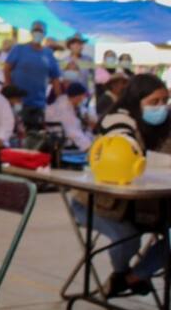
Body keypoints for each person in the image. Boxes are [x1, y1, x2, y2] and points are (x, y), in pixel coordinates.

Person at [71, 74, 171, 297]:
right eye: (154, 102)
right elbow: (125, 151)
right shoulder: (118, 120)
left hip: (144, 206)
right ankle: (124, 274)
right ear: (136, 100)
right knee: (128, 238)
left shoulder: (165, 125)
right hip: (99, 203)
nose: (161, 107)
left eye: (165, 101)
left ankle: (130, 278)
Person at [4, 20, 61, 130]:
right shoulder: (19, 49)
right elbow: (7, 68)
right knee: (18, 130)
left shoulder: (48, 53)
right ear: (31, 32)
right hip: (19, 101)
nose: (37, 33)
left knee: (36, 133)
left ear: (44, 34)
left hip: (39, 102)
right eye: (35, 30)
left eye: (40, 31)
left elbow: (55, 78)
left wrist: (59, 100)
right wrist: (9, 88)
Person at [45, 82, 93, 151]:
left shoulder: (67, 102)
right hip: (61, 138)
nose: (82, 100)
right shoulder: (64, 108)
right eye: (82, 97)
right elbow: (73, 132)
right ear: (77, 97)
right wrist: (89, 147)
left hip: (64, 135)